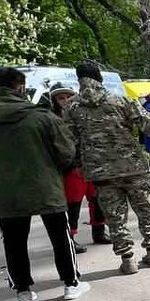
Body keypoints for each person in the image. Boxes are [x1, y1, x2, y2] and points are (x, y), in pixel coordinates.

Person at [0, 67, 88, 301]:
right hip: (45, 184)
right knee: (60, 235)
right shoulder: (41, 116)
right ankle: (71, 284)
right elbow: (66, 152)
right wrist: (56, 169)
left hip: (6, 189)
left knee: (13, 241)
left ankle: (23, 291)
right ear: (20, 87)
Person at [65, 60, 150, 275]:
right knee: (146, 210)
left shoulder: (71, 107)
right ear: (99, 77)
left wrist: (79, 165)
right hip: (133, 166)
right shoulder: (119, 100)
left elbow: (72, 140)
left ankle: (128, 261)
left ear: (78, 78)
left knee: (115, 217)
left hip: (101, 172)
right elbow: (148, 123)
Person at [48, 82, 108, 250]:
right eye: (61, 98)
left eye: (68, 97)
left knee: (96, 199)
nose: (65, 100)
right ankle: (70, 239)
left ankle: (99, 232)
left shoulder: (82, 112)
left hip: (91, 161)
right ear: (54, 100)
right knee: (73, 203)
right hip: (71, 167)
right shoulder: (51, 118)